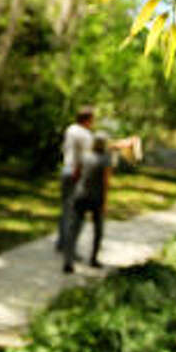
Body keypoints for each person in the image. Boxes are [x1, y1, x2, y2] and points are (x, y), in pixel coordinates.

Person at [63, 135, 111, 273]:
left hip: (80, 195)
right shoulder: (106, 159)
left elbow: (76, 175)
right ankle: (93, 259)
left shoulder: (83, 156)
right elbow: (106, 182)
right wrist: (105, 203)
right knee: (98, 230)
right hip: (97, 198)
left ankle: (68, 262)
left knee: (74, 229)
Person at [57, 106, 96, 255]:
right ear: (88, 120)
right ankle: (69, 248)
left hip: (66, 169)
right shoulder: (85, 134)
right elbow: (89, 154)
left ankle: (61, 242)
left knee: (65, 208)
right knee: (76, 212)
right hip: (76, 173)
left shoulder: (70, 129)